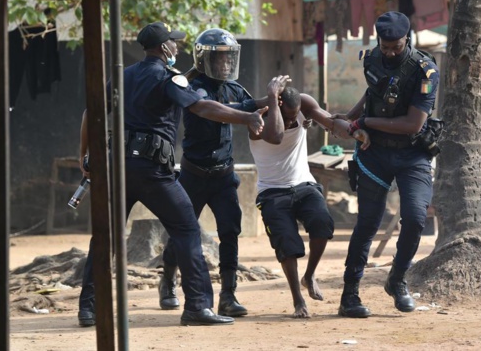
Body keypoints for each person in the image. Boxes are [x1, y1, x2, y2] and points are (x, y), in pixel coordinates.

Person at [76, 22, 268, 327]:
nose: (177, 47)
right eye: (174, 43)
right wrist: (246, 117)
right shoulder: (169, 78)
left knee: (104, 237)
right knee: (187, 230)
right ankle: (197, 306)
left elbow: (91, 111)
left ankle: (88, 308)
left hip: (118, 169)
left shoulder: (124, 75)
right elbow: (202, 108)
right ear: (163, 47)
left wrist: (84, 153)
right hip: (153, 172)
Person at [336, 11, 440, 318]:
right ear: (379, 41)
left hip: (412, 154)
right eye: (386, 46)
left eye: (396, 46)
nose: (391, 52)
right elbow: (373, 92)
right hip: (375, 154)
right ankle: (350, 295)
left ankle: (397, 281)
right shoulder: (371, 59)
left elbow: (412, 124)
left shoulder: (425, 71)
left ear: (407, 39)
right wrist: (351, 118)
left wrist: (364, 121)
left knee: (415, 218)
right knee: (368, 222)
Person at [248, 80, 370, 318]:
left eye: (296, 116)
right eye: (289, 117)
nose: (294, 121)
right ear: (277, 106)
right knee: (288, 246)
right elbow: (275, 136)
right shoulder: (258, 118)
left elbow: (332, 122)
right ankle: (298, 300)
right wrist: (272, 96)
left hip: (304, 184)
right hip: (272, 191)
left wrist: (354, 131)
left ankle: (309, 275)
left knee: (323, 224)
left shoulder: (303, 105)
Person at [158, 28, 258, 317]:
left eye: (229, 58)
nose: (225, 64)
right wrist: (246, 111)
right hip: (193, 175)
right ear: (203, 59)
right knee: (181, 232)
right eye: (219, 58)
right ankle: (167, 280)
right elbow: (212, 110)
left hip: (224, 176)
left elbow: (251, 105)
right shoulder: (190, 87)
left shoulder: (234, 88)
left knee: (230, 232)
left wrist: (278, 99)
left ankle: (228, 294)